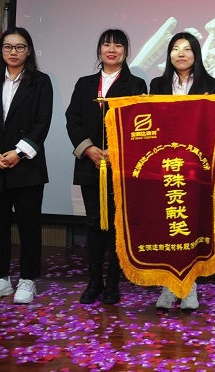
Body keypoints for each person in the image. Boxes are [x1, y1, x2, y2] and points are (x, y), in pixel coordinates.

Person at [65, 29, 147, 305]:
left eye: (118, 45)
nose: (112, 49)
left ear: (126, 51)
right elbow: (72, 119)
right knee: (93, 223)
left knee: (116, 225)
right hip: (90, 164)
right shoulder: (84, 84)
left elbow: (140, 125)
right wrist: (88, 148)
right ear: (99, 50)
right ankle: (94, 282)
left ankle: (113, 283)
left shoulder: (136, 84)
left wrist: (118, 151)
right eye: (106, 44)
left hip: (120, 167)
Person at [0, 27, 53, 304]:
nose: (13, 52)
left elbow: (42, 122)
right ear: (1, 50)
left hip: (26, 165)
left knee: (29, 226)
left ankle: (28, 280)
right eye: (8, 47)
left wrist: (19, 152)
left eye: (20, 47)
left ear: (28, 51)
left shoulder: (40, 82)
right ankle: (1, 279)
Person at [149, 32, 215, 310]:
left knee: (191, 225)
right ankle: (169, 286)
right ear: (169, 55)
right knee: (167, 225)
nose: (181, 53)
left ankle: (189, 286)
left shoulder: (209, 84)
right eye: (175, 48)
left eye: (187, 49)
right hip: (165, 166)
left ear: (196, 54)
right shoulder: (158, 84)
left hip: (195, 166)